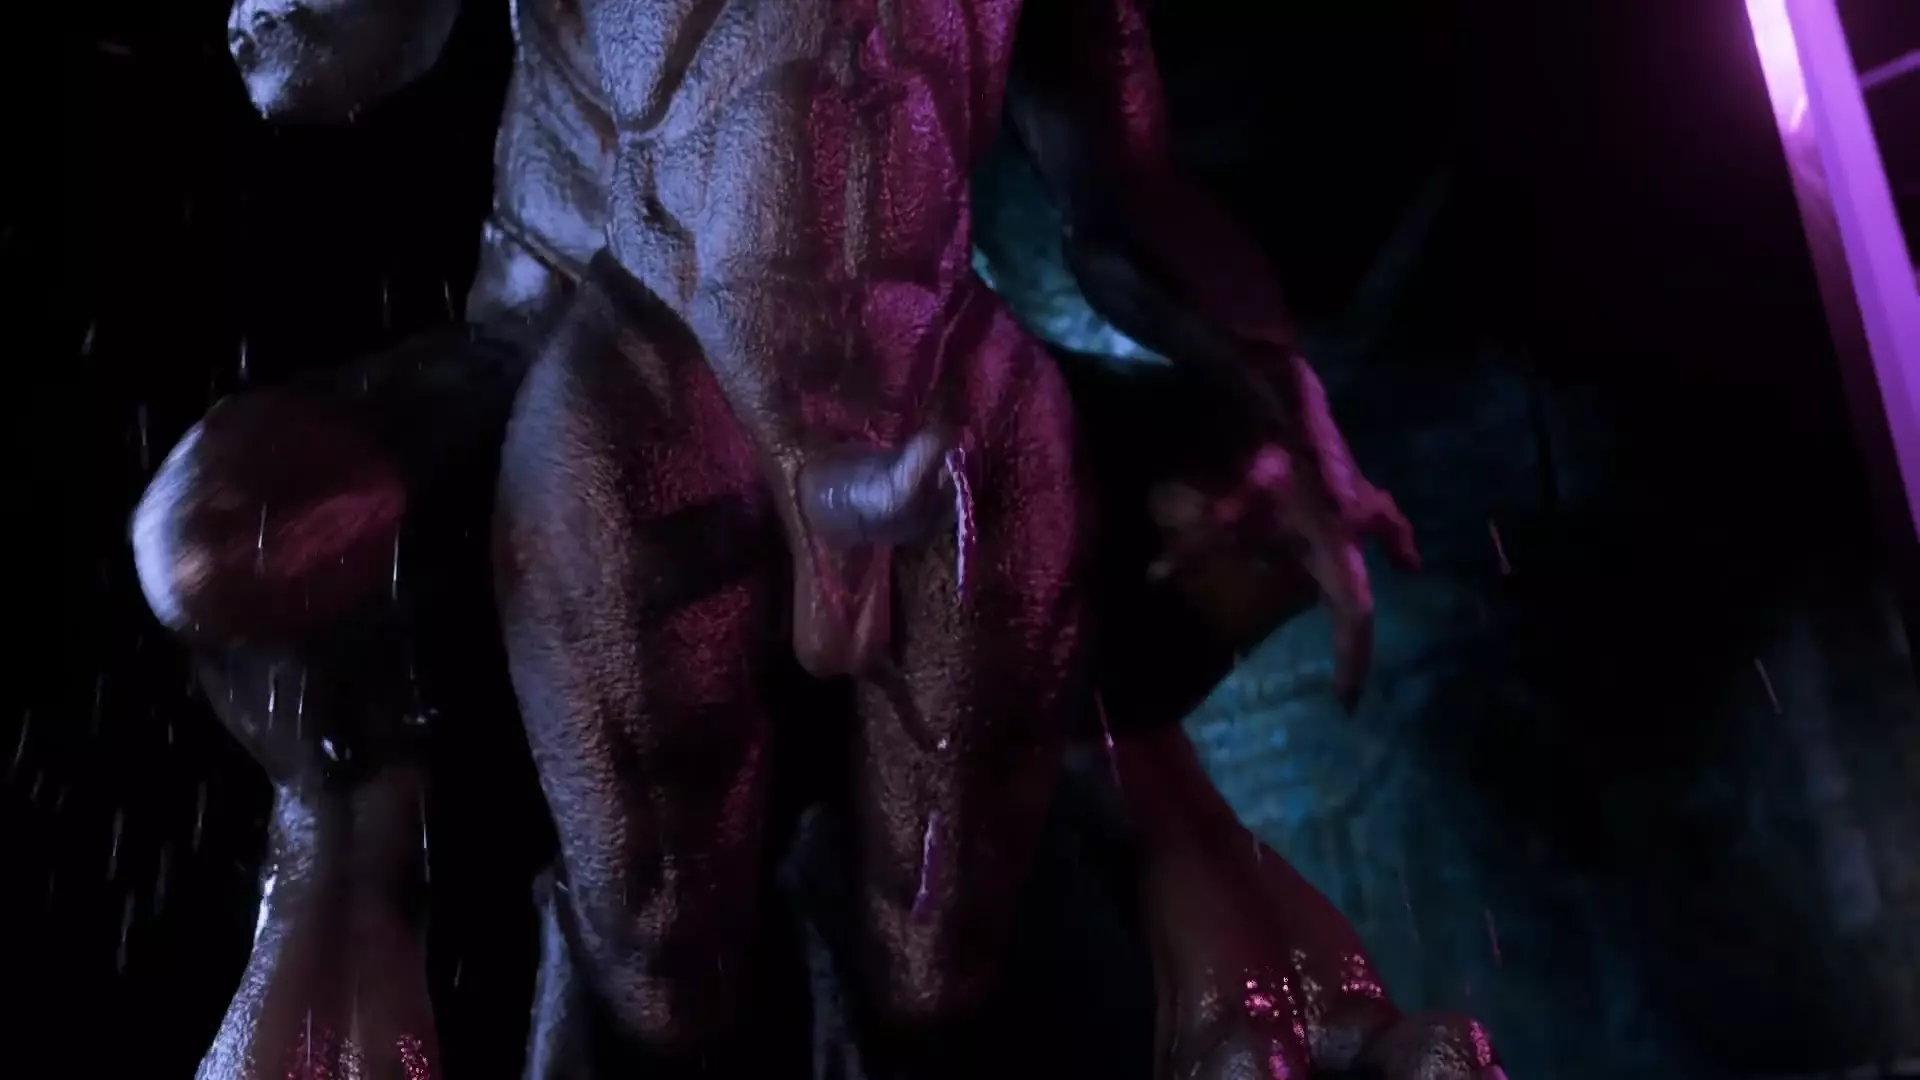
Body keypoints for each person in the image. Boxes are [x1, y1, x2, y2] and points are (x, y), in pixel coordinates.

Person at [134, 0, 1506, 1076]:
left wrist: (1284, 396)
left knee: (940, 952)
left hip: (915, 375)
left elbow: (1126, 187)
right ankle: (341, 865)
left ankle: (1183, 861)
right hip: (575, 343)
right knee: (238, 549)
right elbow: (307, 68)